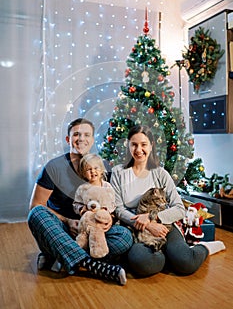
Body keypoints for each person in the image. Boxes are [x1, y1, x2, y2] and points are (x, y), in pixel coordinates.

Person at [110, 124, 226, 277]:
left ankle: (204, 248)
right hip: (136, 228)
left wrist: (154, 218)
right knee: (144, 262)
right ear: (128, 146)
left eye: (143, 144)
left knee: (186, 263)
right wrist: (148, 225)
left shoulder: (160, 174)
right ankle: (167, 256)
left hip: (165, 225)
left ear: (151, 146)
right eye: (134, 145)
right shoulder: (118, 172)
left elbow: (179, 208)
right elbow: (118, 209)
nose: (138, 150)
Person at [28, 118, 133, 285]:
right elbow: (35, 205)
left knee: (125, 237)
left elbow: (110, 201)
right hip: (62, 229)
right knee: (36, 214)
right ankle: (92, 265)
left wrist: (109, 219)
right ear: (68, 139)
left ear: (92, 140)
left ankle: (58, 254)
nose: (81, 139)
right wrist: (67, 221)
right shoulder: (53, 167)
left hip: (94, 230)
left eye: (86, 135)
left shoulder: (102, 165)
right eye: (76, 134)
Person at [73, 153, 115, 217]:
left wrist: (106, 210)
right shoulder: (82, 188)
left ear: (101, 170)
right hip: (88, 216)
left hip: (103, 216)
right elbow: (76, 204)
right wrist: (82, 208)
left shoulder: (107, 186)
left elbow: (113, 203)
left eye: (96, 168)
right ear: (84, 173)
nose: (92, 171)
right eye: (88, 169)